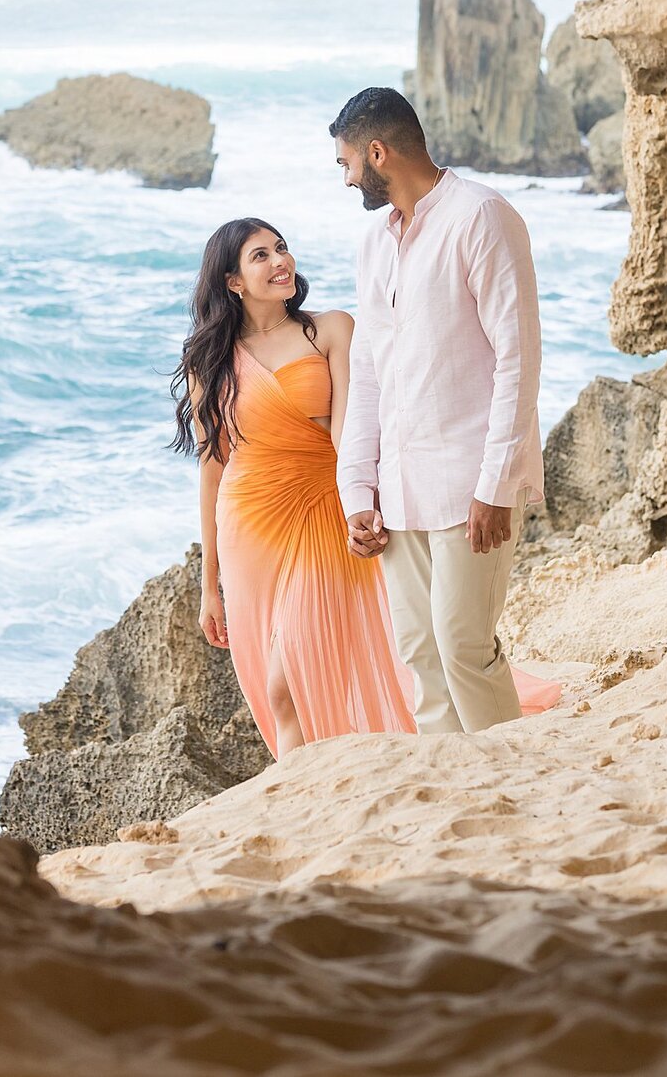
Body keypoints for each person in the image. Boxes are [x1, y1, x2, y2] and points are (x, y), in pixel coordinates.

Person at [330, 86, 563, 734]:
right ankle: (455, 801)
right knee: (422, 656)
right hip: (400, 489)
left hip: (470, 484)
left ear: (379, 152)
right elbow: (370, 369)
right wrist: (357, 491)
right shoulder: (372, 244)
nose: (348, 179)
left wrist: (495, 485)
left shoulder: (482, 216)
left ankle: (511, 787)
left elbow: (519, 358)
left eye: (348, 163)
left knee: (466, 648)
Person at [170, 216, 415, 757]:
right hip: (249, 522)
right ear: (233, 281)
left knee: (290, 681)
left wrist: (363, 502)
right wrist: (209, 587)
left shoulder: (329, 330)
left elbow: (355, 430)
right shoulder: (208, 358)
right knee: (273, 683)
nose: (280, 261)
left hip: (322, 507)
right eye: (260, 255)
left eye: (281, 249)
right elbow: (213, 467)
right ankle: (304, 801)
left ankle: (299, 792)